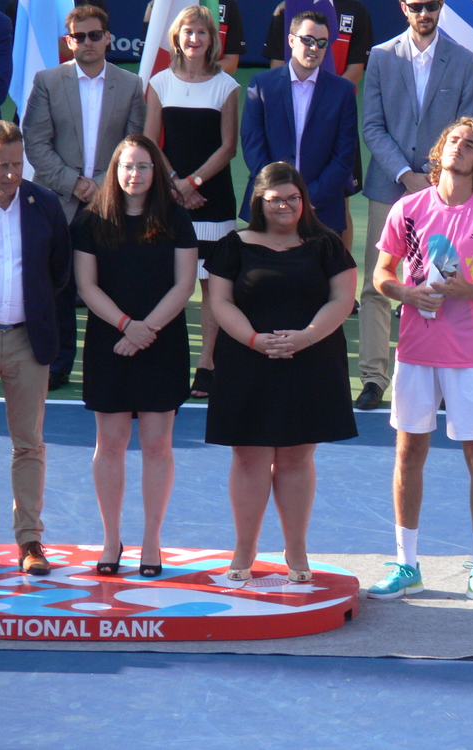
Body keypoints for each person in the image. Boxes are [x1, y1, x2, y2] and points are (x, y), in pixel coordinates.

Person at [369, 117, 473, 607]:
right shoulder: (409, 209)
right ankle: (407, 564)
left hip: (472, 355)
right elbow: (379, 274)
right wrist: (406, 293)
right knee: (407, 455)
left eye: (472, 144)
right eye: (454, 140)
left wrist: (470, 291)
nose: (461, 147)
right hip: (416, 352)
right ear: (441, 151)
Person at [206, 162, 357, 582]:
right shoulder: (233, 245)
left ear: (304, 201)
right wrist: (255, 340)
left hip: (310, 363)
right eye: (276, 200)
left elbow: (343, 298)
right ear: (260, 201)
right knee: (249, 456)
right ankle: (244, 550)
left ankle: (296, 551)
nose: (286, 206)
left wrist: (306, 337)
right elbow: (220, 303)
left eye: (294, 198)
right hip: (246, 361)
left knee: (295, 457)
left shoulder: (326, 244)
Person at [73, 135, 197, 577]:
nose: (134, 174)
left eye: (144, 166)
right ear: (114, 170)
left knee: (157, 446)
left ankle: (152, 541)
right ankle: (111, 539)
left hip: (162, 342)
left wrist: (148, 331)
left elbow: (185, 285)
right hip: (111, 343)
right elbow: (87, 286)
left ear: (155, 173)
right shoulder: (91, 220)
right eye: (127, 166)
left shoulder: (176, 218)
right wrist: (128, 326)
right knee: (109, 445)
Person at [357, 0, 473, 410]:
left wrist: (429, 179)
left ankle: (444, 373)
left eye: (430, 5)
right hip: (388, 186)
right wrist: (404, 176)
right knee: (379, 282)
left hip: (442, 192)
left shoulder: (465, 61)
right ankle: (375, 378)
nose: (423, 12)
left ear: (441, 6)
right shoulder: (379, 56)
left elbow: (465, 132)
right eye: (415, 5)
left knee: (443, 282)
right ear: (403, 7)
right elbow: (372, 125)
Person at [22, 4, 146, 392]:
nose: (88, 43)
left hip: (111, 204)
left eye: (95, 35)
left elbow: (134, 145)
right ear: (68, 40)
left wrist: (103, 186)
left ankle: (112, 364)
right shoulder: (47, 81)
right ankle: (58, 366)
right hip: (58, 200)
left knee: (111, 286)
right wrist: (76, 184)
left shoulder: (130, 85)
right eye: (80, 36)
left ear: (108, 38)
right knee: (58, 287)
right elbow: (35, 143)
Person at [145, 4, 239, 400]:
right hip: (168, 199)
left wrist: (194, 182)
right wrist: (175, 185)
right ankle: (163, 363)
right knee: (168, 283)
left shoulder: (227, 87)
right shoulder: (159, 83)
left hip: (213, 200)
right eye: (188, 32)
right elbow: (150, 141)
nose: (195, 39)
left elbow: (228, 147)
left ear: (211, 39)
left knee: (211, 286)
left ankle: (207, 365)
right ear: (177, 38)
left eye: (202, 33)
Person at [0, 121, 72, 575]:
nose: (10, 173)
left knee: (29, 445)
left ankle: (29, 541)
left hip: (27, 338)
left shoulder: (43, 204)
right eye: (1, 165)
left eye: (15, 163)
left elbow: (58, 273)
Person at [261, 0, 373, 252]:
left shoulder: (357, 11)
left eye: (321, 42)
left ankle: (342, 276)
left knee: (339, 205)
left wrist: (322, 102)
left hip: (333, 124)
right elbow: (277, 67)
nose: (314, 46)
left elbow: (356, 70)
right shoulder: (285, 10)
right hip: (291, 124)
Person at [240, 10, 356, 238]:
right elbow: (252, 144)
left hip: (322, 210)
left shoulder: (342, 91)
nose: (314, 48)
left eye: (322, 43)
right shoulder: (261, 85)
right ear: (291, 41)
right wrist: (278, 194)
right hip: (268, 204)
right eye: (308, 40)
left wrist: (306, 198)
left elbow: (344, 157)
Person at [144, 1, 245, 76]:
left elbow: (231, 64)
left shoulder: (227, 3)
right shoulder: (163, 4)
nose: (194, 39)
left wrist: (198, 73)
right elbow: (149, 60)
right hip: (167, 88)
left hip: (208, 88)